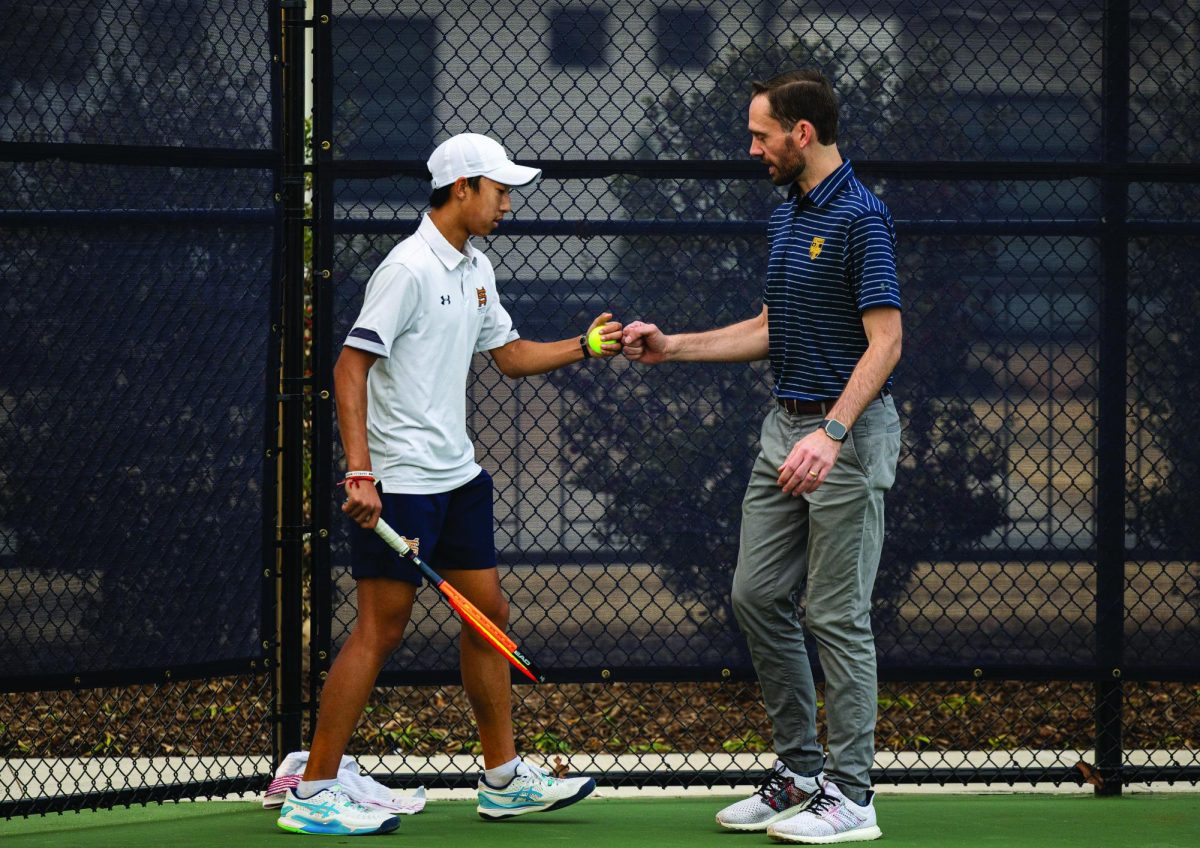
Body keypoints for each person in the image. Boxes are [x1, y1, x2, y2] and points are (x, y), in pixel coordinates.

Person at [277, 132, 621, 836]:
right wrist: (361, 470)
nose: (507, 204)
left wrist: (584, 346)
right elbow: (349, 368)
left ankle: (501, 780)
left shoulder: (476, 267)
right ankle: (314, 790)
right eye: (498, 191)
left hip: (458, 479)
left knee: (485, 618)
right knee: (381, 629)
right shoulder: (406, 269)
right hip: (398, 482)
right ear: (461, 187)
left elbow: (512, 356)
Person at [622, 70, 901, 844]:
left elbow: (887, 341)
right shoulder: (788, 215)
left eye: (760, 135)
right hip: (785, 429)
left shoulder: (860, 218)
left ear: (800, 134)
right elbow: (772, 326)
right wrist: (671, 345)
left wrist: (833, 433)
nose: (753, 149)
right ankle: (800, 775)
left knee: (838, 615)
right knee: (755, 596)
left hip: (846, 436)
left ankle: (852, 798)